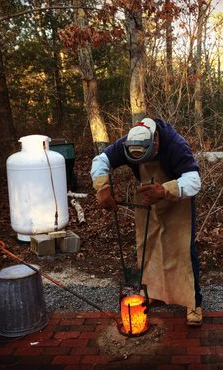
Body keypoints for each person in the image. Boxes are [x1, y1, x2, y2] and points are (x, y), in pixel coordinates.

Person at [90, 117, 203, 326]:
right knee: (149, 247)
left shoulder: (175, 144)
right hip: (148, 198)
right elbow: (100, 161)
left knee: (182, 249)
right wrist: (102, 187)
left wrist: (164, 190)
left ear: (156, 143)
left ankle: (193, 302)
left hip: (177, 197)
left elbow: (194, 180)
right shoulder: (127, 142)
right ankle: (153, 291)